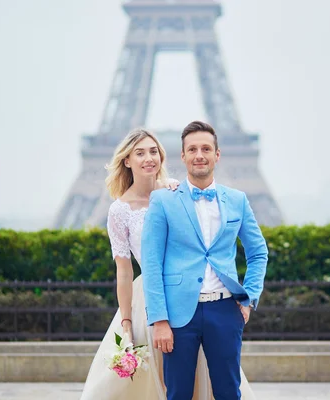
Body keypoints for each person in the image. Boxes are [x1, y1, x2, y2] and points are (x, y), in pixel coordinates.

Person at [79, 127, 256, 400]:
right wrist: (127, 319)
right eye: (140, 153)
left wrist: (248, 296)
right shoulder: (120, 209)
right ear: (127, 160)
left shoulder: (176, 192)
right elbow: (125, 272)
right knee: (167, 385)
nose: (148, 158)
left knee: (213, 382)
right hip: (154, 301)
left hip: (200, 300)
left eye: (154, 152)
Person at [141, 121, 268, 400]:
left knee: (228, 393)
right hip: (177, 314)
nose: (200, 155)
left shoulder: (237, 200)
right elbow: (151, 263)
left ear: (217, 155)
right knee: (178, 394)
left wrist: (249, 297)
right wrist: (160, 319)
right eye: (193, 149)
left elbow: (258, 252)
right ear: (183, 156)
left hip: (225, 309)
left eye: (206, 149)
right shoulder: (162, 201)